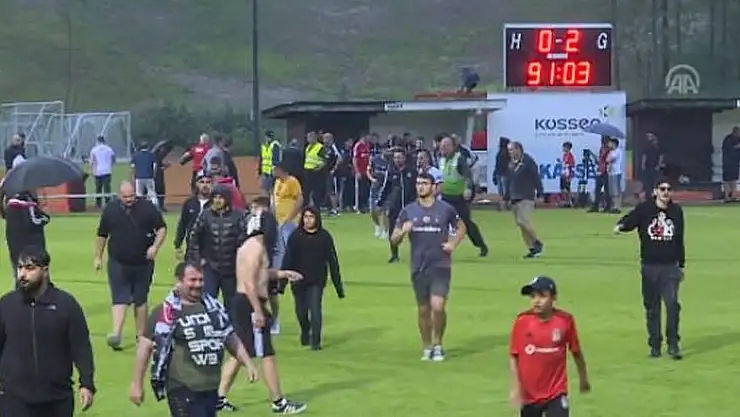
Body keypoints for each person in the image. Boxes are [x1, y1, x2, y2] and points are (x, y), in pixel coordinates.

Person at [129, 261, 260, 416]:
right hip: (183, 388)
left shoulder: (213, 308)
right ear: (179, 281)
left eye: (201, 280)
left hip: (210, 389)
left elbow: (229, 336)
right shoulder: (166, 313)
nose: (197, 284)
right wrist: (137, 384)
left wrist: (248, 363)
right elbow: (145, 346)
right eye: (192, 280)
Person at [217, 212, 307, 414]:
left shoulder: (251, 246)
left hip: (245, 303)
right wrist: (258, 311)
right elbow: (249, 282)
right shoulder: (255, 247)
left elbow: (259, 273)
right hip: (250, 304)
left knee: (241, 351)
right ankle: (278, 402)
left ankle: (219, 397)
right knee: (266, 353)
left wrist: (282, 273)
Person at [0, 245, 95, 416]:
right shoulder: (7, 305)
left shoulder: (66, 305)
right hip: (15, 400)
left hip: (57, 400)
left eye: (30, 268)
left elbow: (81, 347)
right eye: (20, 267)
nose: (22, 274)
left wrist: (86, 384)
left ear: (45, 270)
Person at [389, 172, 464, 361]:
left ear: (433, 186)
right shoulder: (408, 211)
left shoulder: (445, 209)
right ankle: (427, 346)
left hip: (440, 265)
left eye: (424, 183)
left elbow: (461, 227)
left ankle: (438, 343)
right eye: (418, 183)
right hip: (419, 267)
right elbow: (393, 239)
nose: (420, 186)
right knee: (423, 309)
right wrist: (403, 232)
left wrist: (453, 244)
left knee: (438, 306)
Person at [613, 177, 685, 359]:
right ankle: (655, 344)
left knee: (672, 306)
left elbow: (679, 238)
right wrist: (621, 226)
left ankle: (673, 344)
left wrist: (681, 264)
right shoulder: (645, 209)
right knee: (652, 308)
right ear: (655, 191)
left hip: (670, 267)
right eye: (662, 189)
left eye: (668, 189)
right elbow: (631, 220)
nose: (666, 192)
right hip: (649, 266)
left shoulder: (676, 211)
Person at [95, 181, 167, 350]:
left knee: (140, 299)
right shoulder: (111, 209)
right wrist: (97, 257)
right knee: (119, 297)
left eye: (132, 196)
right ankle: (116, 334)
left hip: (143, 263)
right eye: (125, 197)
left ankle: (141, 336)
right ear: (119, 195)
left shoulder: (147, 208)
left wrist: (155, 247)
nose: (129, 199)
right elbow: (101, 235)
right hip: (118, 262)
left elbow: (162, 228)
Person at [510, 276, 591, 417]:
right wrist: (516, 388)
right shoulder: (522, 321)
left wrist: (583, 377)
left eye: (542, 296)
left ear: (553, 298)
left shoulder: (565, 321)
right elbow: (514, 356)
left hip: (556, 393)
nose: (536, 301)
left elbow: (576, 351)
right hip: (529, 395)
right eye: (533, 296)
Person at [283, 207, 344, 350]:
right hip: (298, 279)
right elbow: (288, 259)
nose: (308, 220)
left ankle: (316, 341)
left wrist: (338, 287)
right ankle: (305, 330)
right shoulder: (296, 236)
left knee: (315, 309)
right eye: (305, 217)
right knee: (301, 312)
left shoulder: (324, 237)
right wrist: (281, 283)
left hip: (317, 279)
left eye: (311, 217)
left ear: (317, 218)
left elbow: (332, 261)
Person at [186, 184, 249, 313]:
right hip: (211, 267)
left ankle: (231, 326)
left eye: (221, 197)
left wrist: (241, 263)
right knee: (207, 302)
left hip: (232, 269)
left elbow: (245, 240)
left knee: (232, 305)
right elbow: (194, 238)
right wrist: (197, 260)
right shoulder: (205, 215)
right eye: (215, 197)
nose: (217, 200)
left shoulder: (239, 216)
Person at [438, 136, 489, 257]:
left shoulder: (459, 159)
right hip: (445, 197)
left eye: (445, 147)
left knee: (466, 224)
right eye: (441, 147)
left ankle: (481, 245)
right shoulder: (441, 160)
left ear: (452, 147)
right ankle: (442, 247)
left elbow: (467, 175)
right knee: (441, 222)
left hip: (458, 198)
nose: (442, 149)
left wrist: (468, 189)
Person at [505, 141, 545, 258]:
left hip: (526, 196)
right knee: (521, 225)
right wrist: (506, 197)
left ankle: (537, 242)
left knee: (523, 221)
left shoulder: (528, 161)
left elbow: (536, 178)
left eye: (511, 150)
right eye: (509, 150)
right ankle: (532, 248)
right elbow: (509, 181)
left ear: (518, 149)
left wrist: (540, 194)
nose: (510, 152)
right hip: (514, 196)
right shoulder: (511, 163)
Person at [378, 148, 417, 263]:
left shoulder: (412, 172)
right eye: (395, 158)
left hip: (410, 206)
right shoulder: (391, 172)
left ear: (404, 158)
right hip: (395, 206)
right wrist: (380, 202)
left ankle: (418, 254)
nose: (397, 160)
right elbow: (386, 188)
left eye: (399, 157)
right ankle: (394, 255)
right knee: (393, 231)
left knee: (414, 232)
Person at [250, 196, 282, 335]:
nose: (252, 210)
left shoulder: (269, 219)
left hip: (269, 263)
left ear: (262, 207)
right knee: (259, 293)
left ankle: (274, 320)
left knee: (271, 294)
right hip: (256, 263)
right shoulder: (252, 220)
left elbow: (270, 241)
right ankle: (262, 319)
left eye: (254, 207)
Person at [3, 191, 50, 282]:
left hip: (14, 245)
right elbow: (32, 223)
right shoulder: (26, 202)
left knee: (20, 275)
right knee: (36, 277)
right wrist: (45, 217)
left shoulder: (10, 201)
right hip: (30, 246)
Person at [174, 172, 212, 261]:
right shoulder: (189, 203)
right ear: (196, 184)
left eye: (208, 182)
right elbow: (182, 225)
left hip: (212, 248)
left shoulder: (216, 203)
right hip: (192, 247)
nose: (205, 185)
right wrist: (178, 245)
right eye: (202, 182)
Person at [367, 145, 390, 238]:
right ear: (382, 150)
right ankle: (377, 226)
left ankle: (386, 231)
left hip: (386, 188)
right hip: (375, 187)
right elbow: (368, 171)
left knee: (385, 210)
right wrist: (372, 179)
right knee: (373, 210)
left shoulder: (391, 161)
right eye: (386, 149)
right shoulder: (375, 159)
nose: (387, 151)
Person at [89, 135, 116, 208]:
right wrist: (110, 165)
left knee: (98, 189)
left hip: (98, 172)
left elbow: (91, 162)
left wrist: (91, 171)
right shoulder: (109, 149)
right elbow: (113, 158)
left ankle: (98, 204)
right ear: (104, 141)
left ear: (97, 141)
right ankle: (108, 203)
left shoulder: (94, 149)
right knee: (107, 189)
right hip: (107, 171)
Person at [302, 132, 327, 208]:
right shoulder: (308, 147)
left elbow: (325, 160)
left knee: (316, 191)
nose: (308, 140)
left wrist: (318, 168)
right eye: (307, 138)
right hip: (307, 171)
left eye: (310, 138)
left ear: (314, 138)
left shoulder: (320, 147)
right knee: (306, 191)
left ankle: (316, 208)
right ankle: (305, 207)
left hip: (316, 172)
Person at [588, 137, 612, 212]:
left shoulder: (609, 150)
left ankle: (608, 206)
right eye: (602, 140)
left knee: (607, 189)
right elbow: (600, 160)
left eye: (604, 140)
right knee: (597, 189)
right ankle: (596, 205)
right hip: (600, 170)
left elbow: (607, 160)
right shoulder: (602, 149)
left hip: (606, 171)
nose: (603, 142)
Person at [131, 142, 158, 206]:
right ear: (147, 147)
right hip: (149, 177)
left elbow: (133, 167)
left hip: (138, 177)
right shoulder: (151, 155)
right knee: (151, 194)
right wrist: (154, 175)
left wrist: (133, 177)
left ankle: (139, 206)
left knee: (139, 194)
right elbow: (154, 166)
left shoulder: (135, 155)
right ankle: (155, 206)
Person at [323, 132, 342, 216]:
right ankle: (330, 208)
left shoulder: (334, 147)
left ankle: (335, 209)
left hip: (332, 174)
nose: (324, 140)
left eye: (325, 138)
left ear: (330, 139)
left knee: (332, 191)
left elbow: (340, 158)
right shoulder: (325, 148)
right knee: (328, 191)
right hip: (325, 172)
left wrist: (334, 169)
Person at [641, 132, 664, 200]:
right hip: (648, 167)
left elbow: (661, 157)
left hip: (655, 167)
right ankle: (648, 196)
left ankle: (656, 196)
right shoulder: (647, 147)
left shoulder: (659, 148)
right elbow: (644, 156)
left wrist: (658, 166)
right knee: (648, 183)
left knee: (655, 182)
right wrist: (643, 165)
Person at [353, 134, 372, 212]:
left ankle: (365, 206)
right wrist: (357, 171)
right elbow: (354, 159)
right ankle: (359, 207)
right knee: (360, 190)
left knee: (367, 189)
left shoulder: (368, 145)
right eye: (368, 137)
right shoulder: (358, 145)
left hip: (367, 171)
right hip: (360, 171)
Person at [259, 131, 281, 195]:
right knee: (265, 189)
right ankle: (267, 200)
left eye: (270, 137)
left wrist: (274, 170)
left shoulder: (275, 145)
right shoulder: (264, 146)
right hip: (265, 171)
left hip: (272, 172)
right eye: (268, 137)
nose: (268, 138)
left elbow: (276, 159)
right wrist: (260, 170)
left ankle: (271, 200)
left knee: (271, 189)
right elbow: (262, 158)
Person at [721, 127, 740, 202]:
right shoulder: (728, 139)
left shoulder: (738, 139)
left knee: (734, 180)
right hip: (727, 163)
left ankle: (733, 196)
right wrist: (737, 146)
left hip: (735, 163)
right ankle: (726, 197)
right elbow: (729, 148)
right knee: (727, 180)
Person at [493, 137, 511, 210]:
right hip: (500, 174)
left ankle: (506, 205)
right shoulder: (500, 153)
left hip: (504, 174)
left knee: (504, 191)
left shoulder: (506, 154)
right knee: (502, 191)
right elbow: (497, 165)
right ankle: (504, 205)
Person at [606, 138, 623, 213]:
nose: (609, 144)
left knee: (616, 190)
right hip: (611, 173)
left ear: (614, 144)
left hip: (616, 172)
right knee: (612, 191)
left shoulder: (617, 151)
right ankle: (614, 206)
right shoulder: (611, 152)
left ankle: (617, 206)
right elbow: (607, 159)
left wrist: (609, 159)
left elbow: (609, 159)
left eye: (610, 143)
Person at [559, 141, 575, 208]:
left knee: (567, 189)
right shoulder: (564, 155)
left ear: (568, 148)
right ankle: (567, 201)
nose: (563, 148)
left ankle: (571, 201)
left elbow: (572, 166)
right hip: (563, 173)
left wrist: (570, 176)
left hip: (567, 174)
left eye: (564, 147)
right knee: (563, 189)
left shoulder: (570, 156)